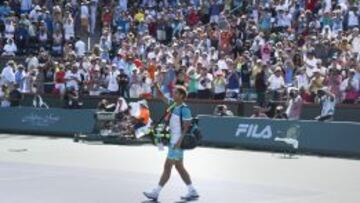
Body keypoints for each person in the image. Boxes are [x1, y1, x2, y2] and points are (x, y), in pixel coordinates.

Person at [144, 83, 199, 201]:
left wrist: (179, 141)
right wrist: (157, 86)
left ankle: (156, 192)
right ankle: (192, 190)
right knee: (179, 167)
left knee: (167, 166)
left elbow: (186, 127)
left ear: (181, 96)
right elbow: (161, 96)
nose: (173, 94)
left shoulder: (185, 110)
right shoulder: (173, 105)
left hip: (177, 143)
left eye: (175, 93)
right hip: (172, 142)